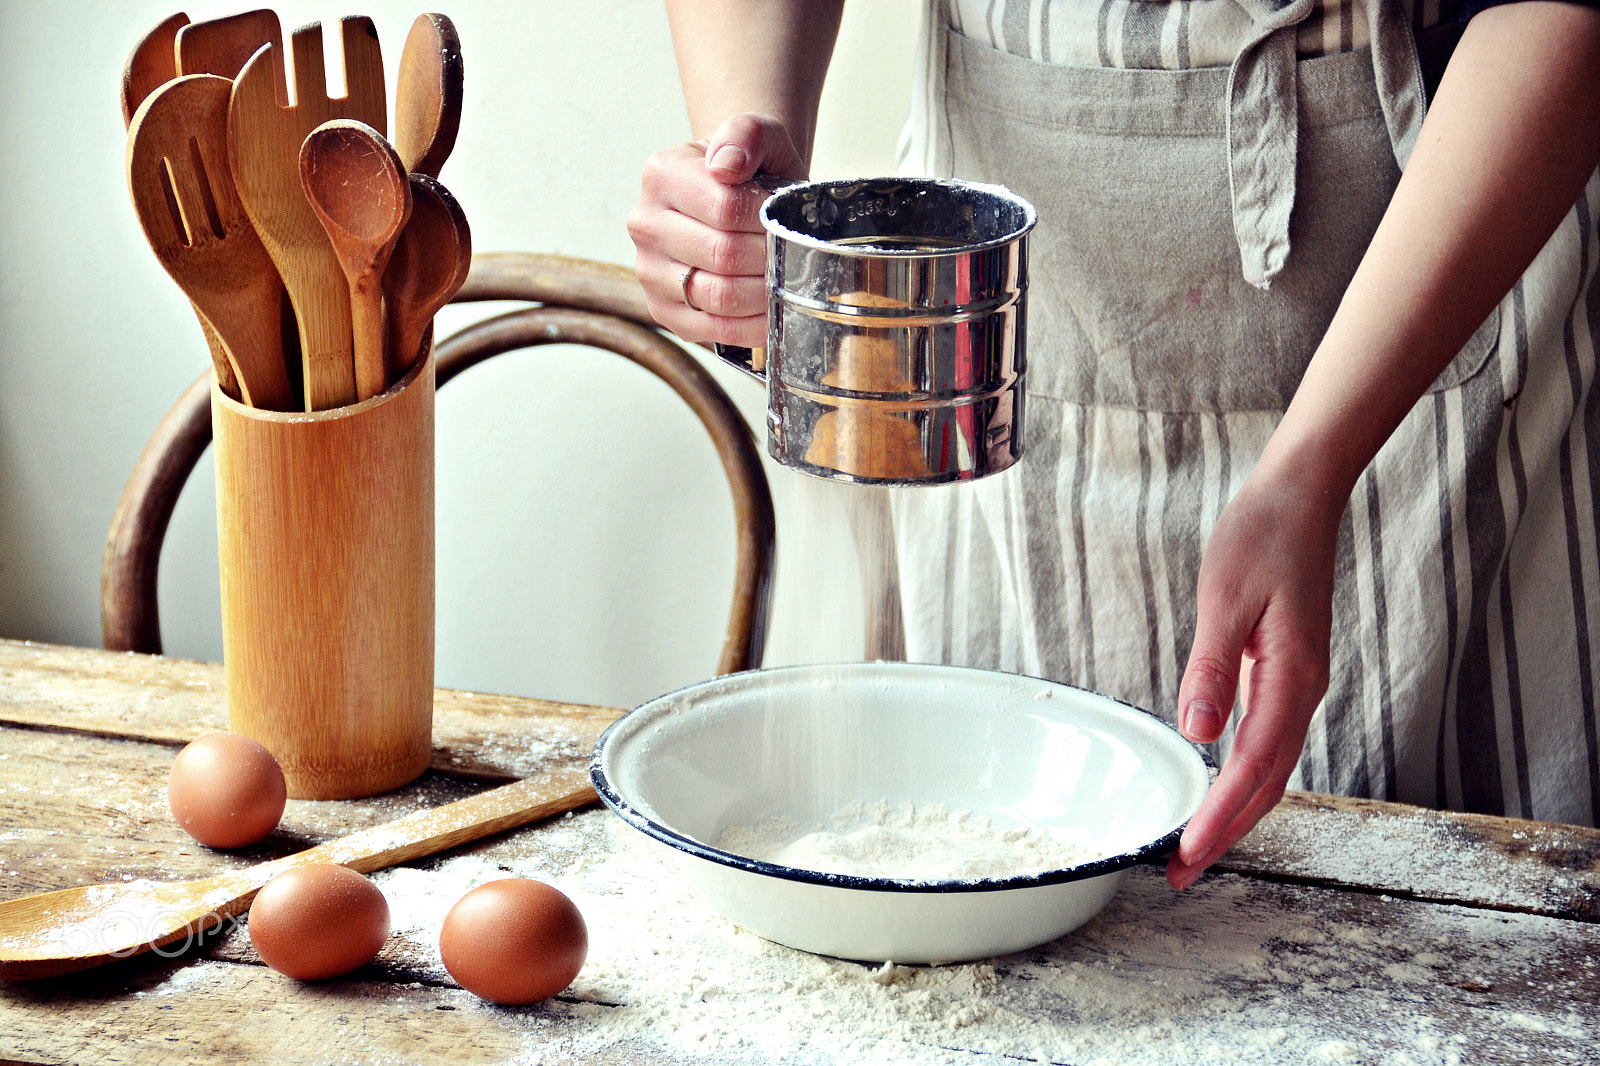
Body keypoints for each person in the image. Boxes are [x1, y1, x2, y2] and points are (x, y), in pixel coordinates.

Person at [627, 0, 1600, 890]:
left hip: (1435, 342)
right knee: (991, 876)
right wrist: (740, 166)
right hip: (1018, 359)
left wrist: (1316, 462)